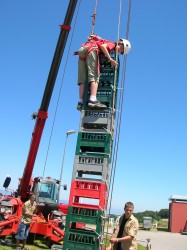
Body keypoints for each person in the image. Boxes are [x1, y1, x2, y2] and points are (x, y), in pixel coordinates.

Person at [76, 35, 131, 111]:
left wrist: (95, 36)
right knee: (95, 75)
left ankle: (80, 102)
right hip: (92, 50)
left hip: (83, 50)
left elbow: (99, 40)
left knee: (83, 79)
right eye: (121, 48)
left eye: (121, 52)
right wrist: (110, 59)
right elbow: (103, 46)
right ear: (119, 43)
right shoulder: (112, 44)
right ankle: (92, 99)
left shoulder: (103, 40)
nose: (119, 51)